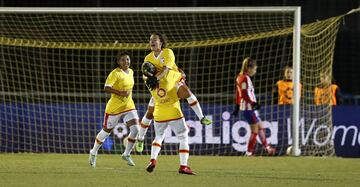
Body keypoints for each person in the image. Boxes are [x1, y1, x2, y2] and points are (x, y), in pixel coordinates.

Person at [135, 32, 212, 153]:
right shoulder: (148, 58)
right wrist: (151, 80)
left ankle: (201, 117)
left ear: (161, 42)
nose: (152, 42)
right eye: (150, 39)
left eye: (155, 39)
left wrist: (157, 78)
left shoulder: (168, 52)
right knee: (150, 113)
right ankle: (140, 138)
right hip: (160, 87)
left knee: (186, 91)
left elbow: (166, 69)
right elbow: (147, 74)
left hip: (173, 81)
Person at [141, 61, 197, 175]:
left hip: (159, 109)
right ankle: (183, 165)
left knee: (158, 134)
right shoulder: (171, 75)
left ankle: (151, 158)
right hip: (172, 110)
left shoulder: (147, 79)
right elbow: (180, 79)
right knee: (183, 136)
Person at [89, 52, 140, 167]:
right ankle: (94, 151)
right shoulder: (115, 73)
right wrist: (120, 92)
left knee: (136, 129)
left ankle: (126, 154)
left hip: (128, 106)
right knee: (106, 132)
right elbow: (106, 87)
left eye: (127, 59)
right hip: (114, 108)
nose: (126, 62)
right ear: (118, 62)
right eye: (123, 60)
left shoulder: (131, 72)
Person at [232, 57, 276, 156]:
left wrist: (237, 105)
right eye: (255, 69)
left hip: (248, 107)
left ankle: (267, 148)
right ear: (248, 68)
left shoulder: (241, 77)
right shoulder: (243, 78)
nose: (255, 71)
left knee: (260, 126)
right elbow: (243, 93)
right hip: (248, 108)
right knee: (255, 129)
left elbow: (238, 94)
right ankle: (249, 152)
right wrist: (253, 103)